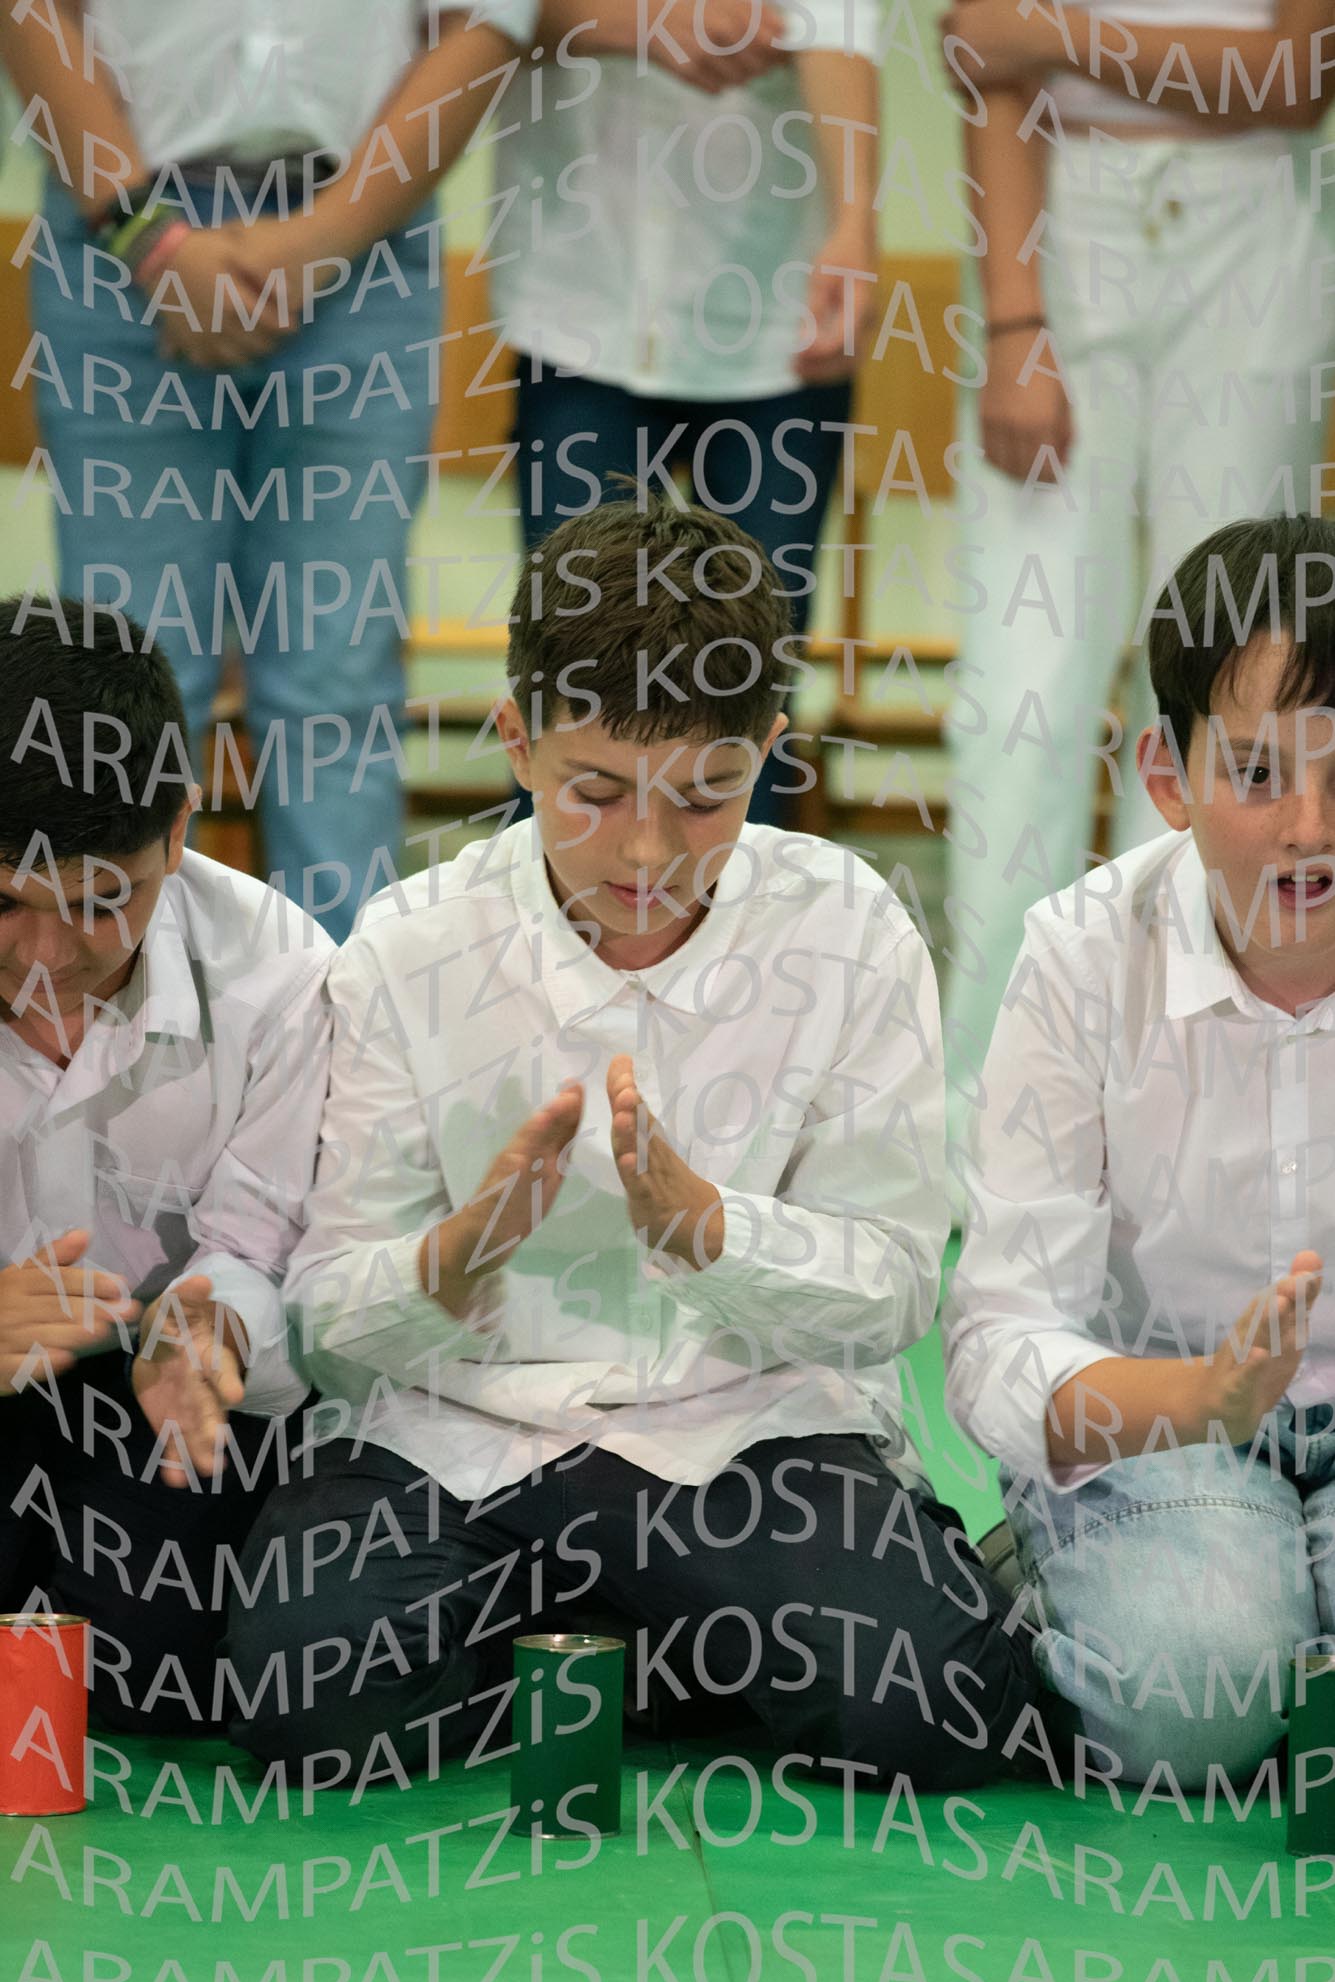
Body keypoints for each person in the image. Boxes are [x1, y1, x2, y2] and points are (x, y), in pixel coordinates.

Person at [225, 494, 1040, 1792]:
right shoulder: (409, 944)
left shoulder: (847, 925)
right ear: (515, 739)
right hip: (461, 1425)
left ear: (768, 752)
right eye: (594, 792)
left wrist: (711, 1234)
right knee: (297, 1695)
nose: (648, 851)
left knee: (927, 1709)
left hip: (746, 1427)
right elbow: (325, 1321)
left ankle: (600, 1652)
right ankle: (680, 1657)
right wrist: (446, 1264)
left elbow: (895, 1289)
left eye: (707, 795)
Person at [1, 0, 788, 941]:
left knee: (337, 682)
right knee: (124, 679)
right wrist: (151, 238)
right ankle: (120, 1004)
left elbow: (484, 17)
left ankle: (340, 1003)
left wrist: (315, 243)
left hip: (366, 239)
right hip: (115, 233)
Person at [944, 512, 1335, 1792]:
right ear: (1167, 774)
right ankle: (1084, 1570)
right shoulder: (1079, 955)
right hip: (1161, 1437)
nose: (1311, 827)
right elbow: (1000, 1331)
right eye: (1259, 773)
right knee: (1188, 1705)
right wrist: (1198, 1400)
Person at [935, 0, 1335, 1167]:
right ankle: (980, 1122)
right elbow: (982, 53)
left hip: (1253, 227)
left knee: (1224, 698)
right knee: (1020, 703)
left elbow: (1297, 76)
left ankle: (1172, 1113)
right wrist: (1016, 323)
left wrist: (1060, 36)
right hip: (1054, 226)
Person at [0, 599, 333, 1735]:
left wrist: (214, 1325)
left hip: (159, 1393)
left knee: (150, 1668)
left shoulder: (281, 972)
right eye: (3, 902)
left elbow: (263, 1244)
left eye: (103, 898)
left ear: (181, 824)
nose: (48, 956)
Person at [496, 0, 883, 830]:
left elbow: (838, 25)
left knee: (752, 667)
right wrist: (636, 22)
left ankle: (745, 907)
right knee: (568, 660)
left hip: (774, 312)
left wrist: (855, 222)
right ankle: (546, 906)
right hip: (578, 304)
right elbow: (470, 22)